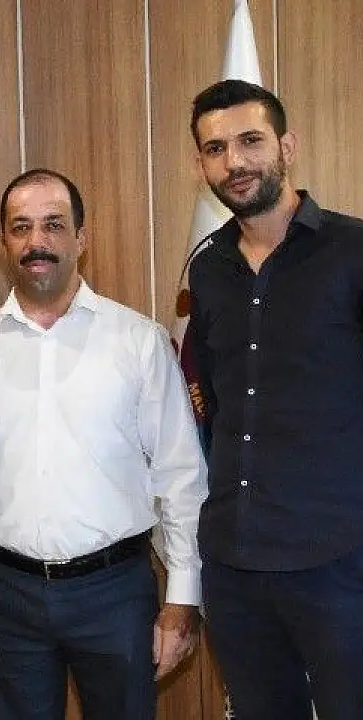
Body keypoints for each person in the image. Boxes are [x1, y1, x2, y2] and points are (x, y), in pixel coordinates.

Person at [0, 169, 208, 720]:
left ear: (82, 237)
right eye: (21, 227)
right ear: (4, 242)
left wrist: (183, 594)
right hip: (4, 597)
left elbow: (179, 474)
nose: (37, 241)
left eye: (54, 225)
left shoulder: (139, 341)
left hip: (115, 593)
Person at [186, 79, 363, 720]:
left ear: (286, 147)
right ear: (201, 164)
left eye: (250, 141)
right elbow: (214, 404)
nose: (234, 162)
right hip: (235, 564)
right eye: (215, 149)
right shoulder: (207, 270)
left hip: (339, 560)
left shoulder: (352, 251)